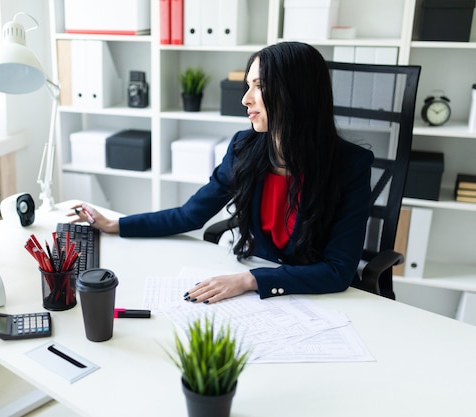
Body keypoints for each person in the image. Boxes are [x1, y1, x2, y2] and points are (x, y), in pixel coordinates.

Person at [70, 42, 373, 305]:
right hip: (263, 300)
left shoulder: (350, 165)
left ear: (297, 93)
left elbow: (338, 272)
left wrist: (249, 280)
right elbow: (190, 214)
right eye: (248, 85)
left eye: (260, 86)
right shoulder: (245, 148)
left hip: (320, 301)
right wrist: (116, 224)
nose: (246, 99)